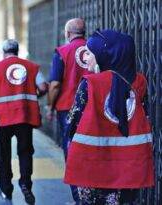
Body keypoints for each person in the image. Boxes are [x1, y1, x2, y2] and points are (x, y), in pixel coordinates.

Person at [64, 30, 154, 204]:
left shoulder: (90, 84)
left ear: (104, 55)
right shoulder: (139, 83)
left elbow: (72, 123)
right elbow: (145, 116)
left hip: (93, 164)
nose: (86, 58)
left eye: (89, 53)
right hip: (129, 164)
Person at [0, 39, 47, 205]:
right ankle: (25, 183)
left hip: (3, 118)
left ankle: (6, 189)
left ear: (4, 52)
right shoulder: (30, 67)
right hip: (24, 116)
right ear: (17, 50)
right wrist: (34, 97)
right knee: (25, 152)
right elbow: (43, 87)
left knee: (3, 155)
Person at [46, 18, 90, 204]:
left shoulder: (62, 52)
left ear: (68, 33)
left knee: (71, 152)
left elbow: (55, 85)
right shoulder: (93, 48)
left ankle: (78, 197)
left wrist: (49, 106)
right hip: (91, 107)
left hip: (68, 109)